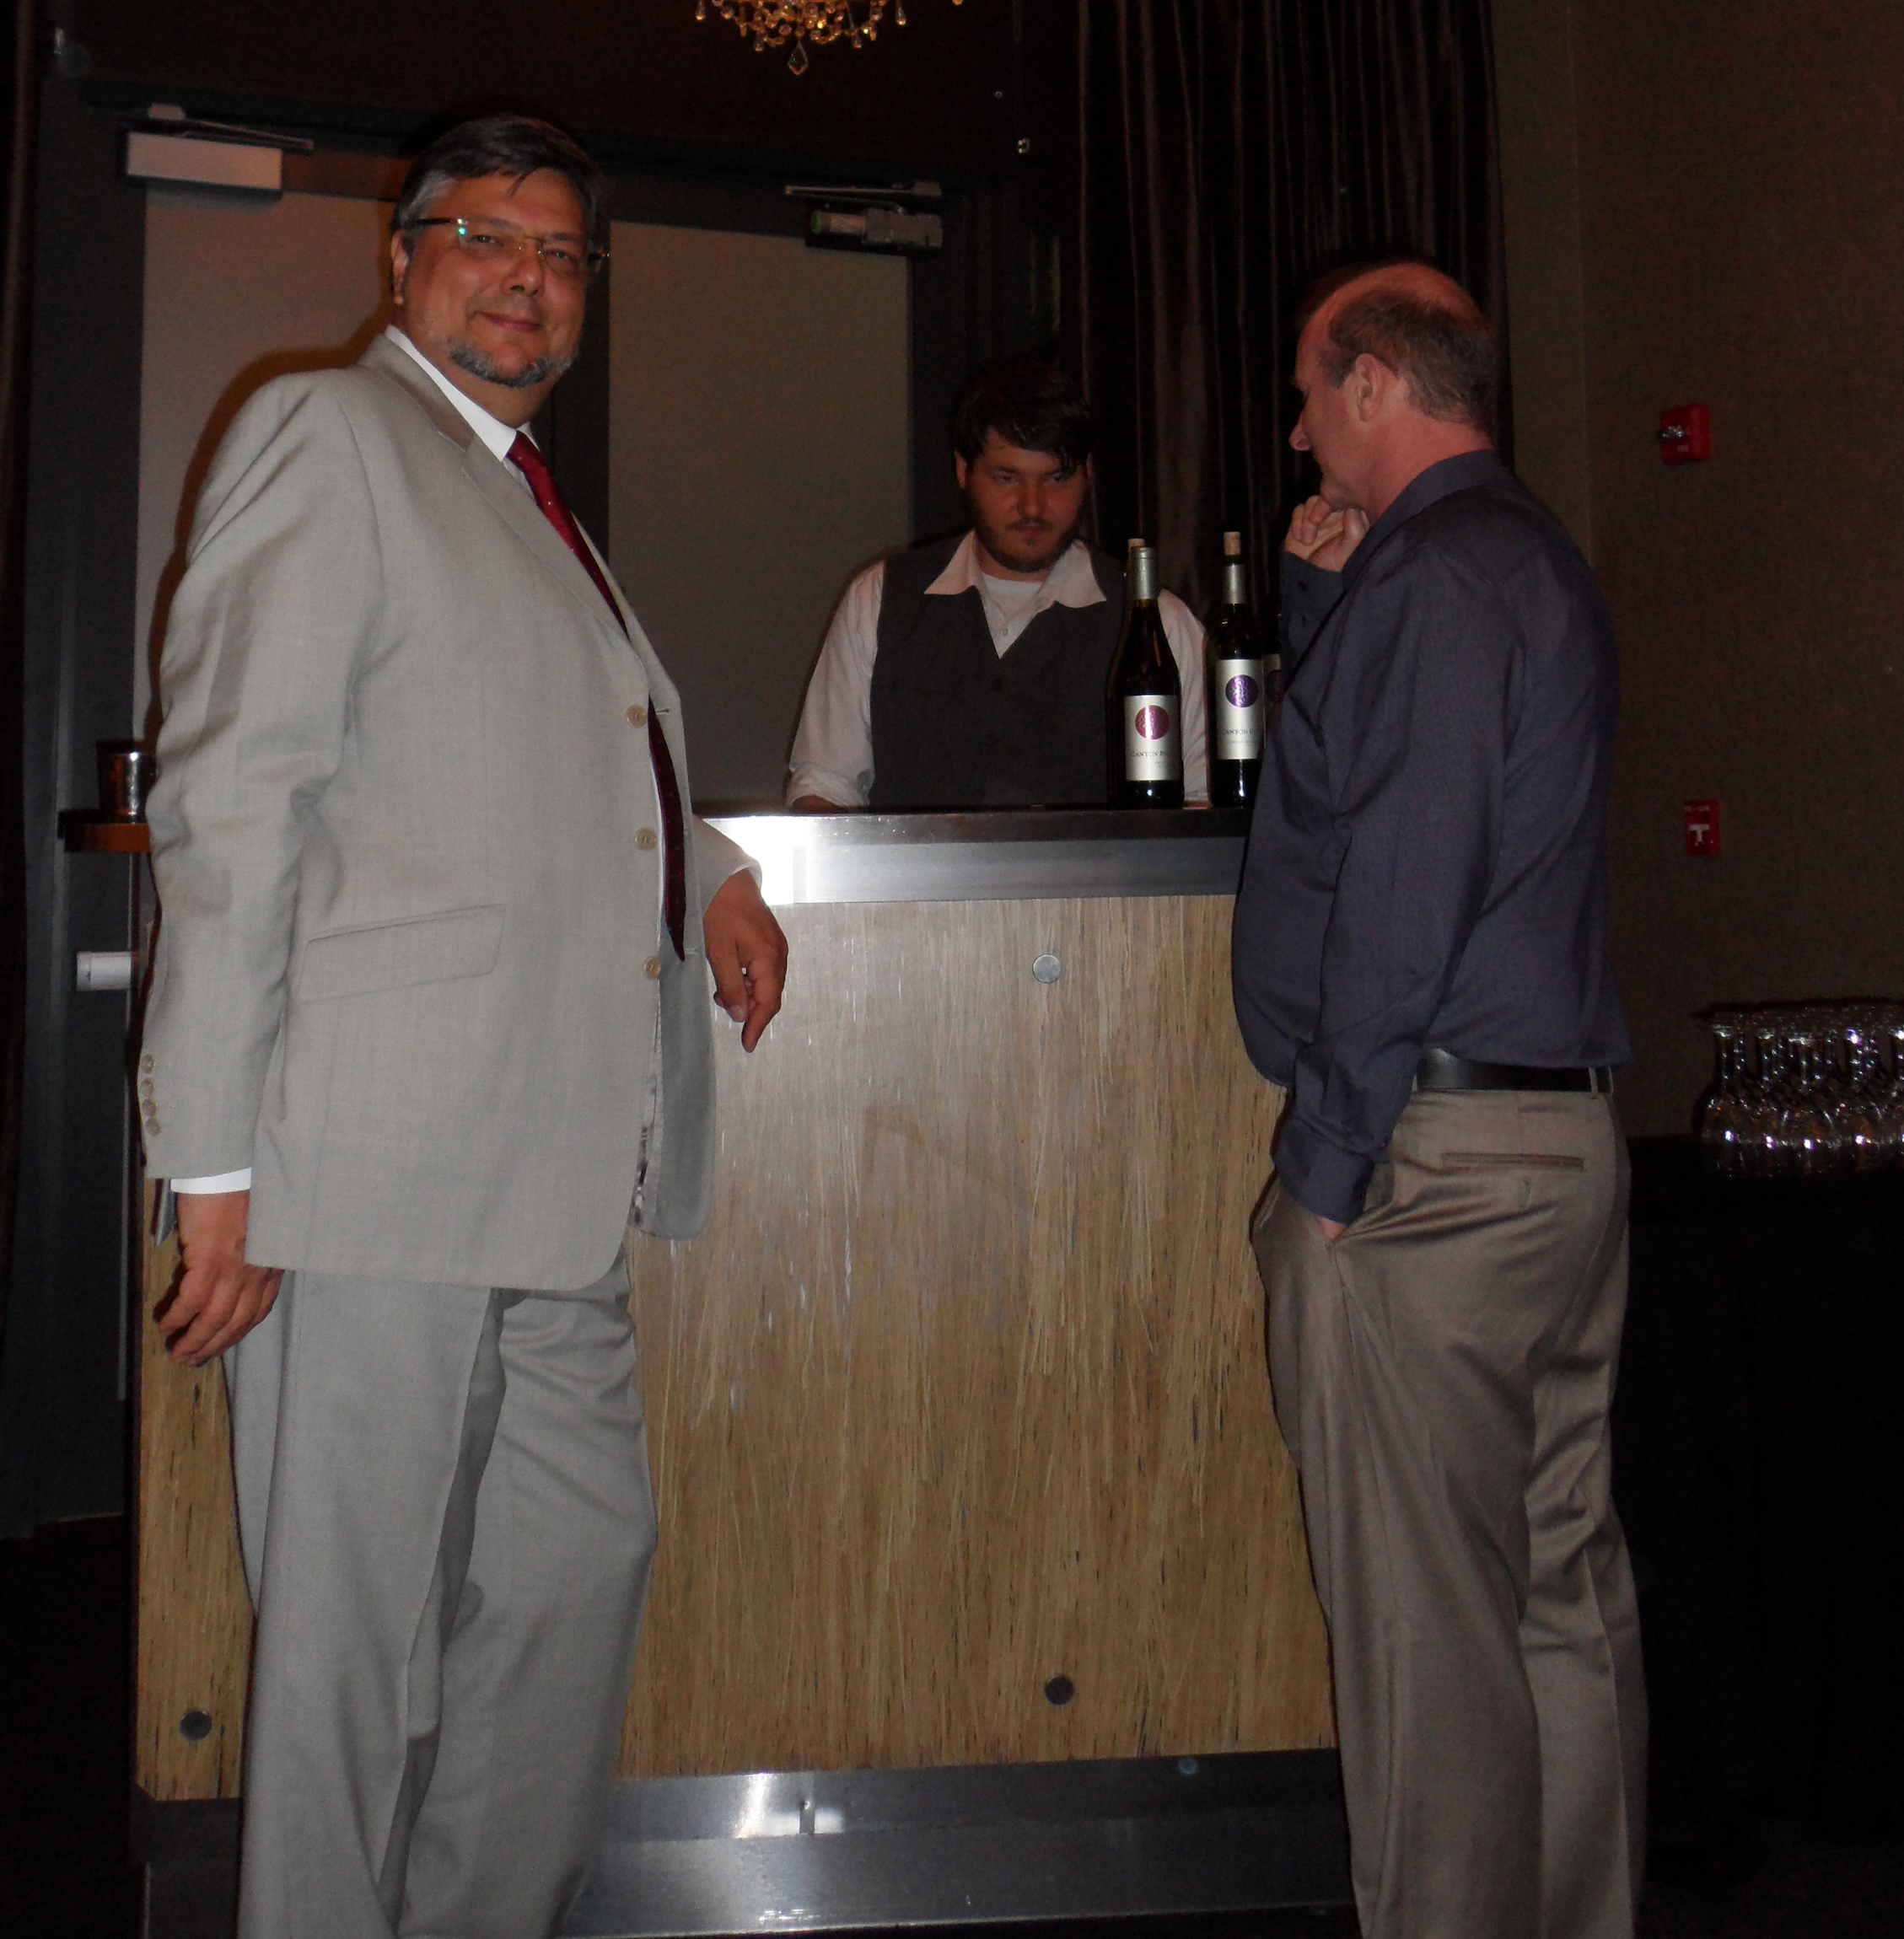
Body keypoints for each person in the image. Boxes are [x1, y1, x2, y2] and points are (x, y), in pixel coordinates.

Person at [139, 115, 788, 1939]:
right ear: (401, 258)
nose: (528, 278)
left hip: (557, 1176)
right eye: (487, 237)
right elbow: (234, 799)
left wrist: (711, 870)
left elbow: (555, 753)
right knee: (355, 1666)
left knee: (572, 1595)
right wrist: (216, 1162)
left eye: (562, 253)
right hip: (367, 1174)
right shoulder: (333, 433)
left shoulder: (517, 496)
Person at [1234, 261, 1645, 1939]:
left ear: (1375, 385)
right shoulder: (1516, 554)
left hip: (1437, 1167)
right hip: (1553, 1142)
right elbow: (1388, 800)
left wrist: (1331, 1166)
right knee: (1553, 1601)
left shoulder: (1440, 577)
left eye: (1310, 392)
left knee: (1427, 1651)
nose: (1298, 429)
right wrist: (1323, 609)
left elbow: (1404, 882)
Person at [786, 357, 1208, 810]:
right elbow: (824, 785)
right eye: (1007, 479)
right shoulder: (878, 601)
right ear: (963, 471)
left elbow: (1206, 801)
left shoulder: (1158, 622)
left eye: (1056, 479)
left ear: (1088, 474)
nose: (1032, 506)